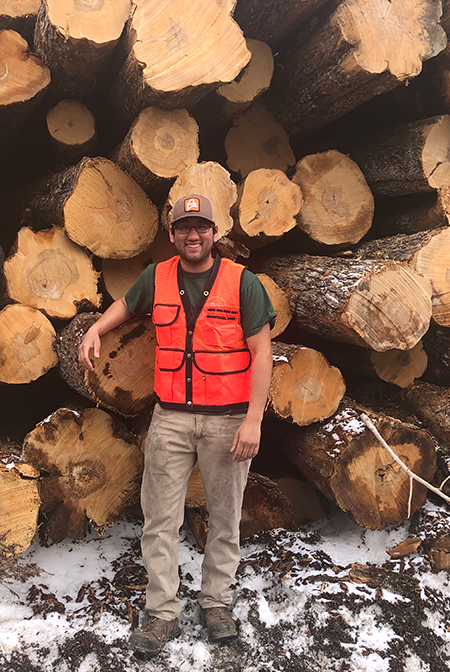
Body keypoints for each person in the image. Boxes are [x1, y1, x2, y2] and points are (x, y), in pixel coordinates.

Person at [78, 194, 275, 657]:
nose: (193, 235)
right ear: (172, 235)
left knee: (225, 519)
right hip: (170, 419)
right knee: (159, 521)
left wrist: (253, 421)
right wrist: (95, 329)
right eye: (184, 228)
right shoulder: (157, 276)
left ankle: (217, 604)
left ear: (215, 234)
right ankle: (162, 612)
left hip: (228, 421)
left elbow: (262, 353)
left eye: (201, 227)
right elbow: (125, 306)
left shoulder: (243, 283)